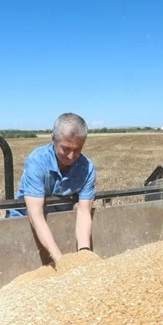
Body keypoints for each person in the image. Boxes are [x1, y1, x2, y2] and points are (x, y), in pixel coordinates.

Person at [14, 113, 96, 268]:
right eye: (66, 149)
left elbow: (84, 211)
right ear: (53, 139)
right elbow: (36, 215)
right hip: (25, 225)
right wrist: (60, 260)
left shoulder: (87, 168)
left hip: (58, 225)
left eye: (77, 149)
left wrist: (84, 252)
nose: (71, 156)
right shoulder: (37, 162)